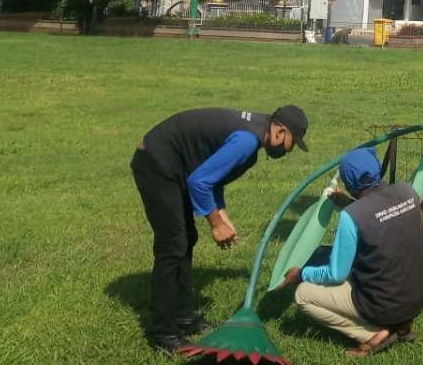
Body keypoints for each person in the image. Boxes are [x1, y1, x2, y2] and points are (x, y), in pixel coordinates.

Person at [131, 105, 310, 353]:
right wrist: (215, 224)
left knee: (186, 238)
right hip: (156, 162)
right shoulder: (247, 142)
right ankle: (164, 333)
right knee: (172, 245)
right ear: (280, 132)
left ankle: (183, 316)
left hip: (176, 164)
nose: (289, 151)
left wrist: (223, 217)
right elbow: (200, 182)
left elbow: (213, 177)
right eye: (293, 143)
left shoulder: (252, 137)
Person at [281, 147, 423, 357]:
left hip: (383, 305)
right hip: (416, 300)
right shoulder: (408, 192)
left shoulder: (352, 216)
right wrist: (348, 203)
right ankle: (401, 323)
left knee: (303, 294)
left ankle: (373, 333)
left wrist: (300, 274)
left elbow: (336, 274)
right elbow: (382, 220)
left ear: (349, 183)